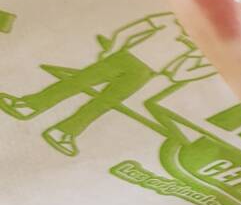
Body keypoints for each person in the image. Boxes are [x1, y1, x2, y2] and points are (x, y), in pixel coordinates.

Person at [0, 13, 212, 157]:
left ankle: (65, 132)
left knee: (105, 102)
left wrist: (208, 64)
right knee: (77, 82)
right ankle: (28, 105)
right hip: (124, 58)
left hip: (144, 74)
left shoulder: (199, 47)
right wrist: (113, 49)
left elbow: (177, 74)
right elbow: (134, 30)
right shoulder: (170, 20)